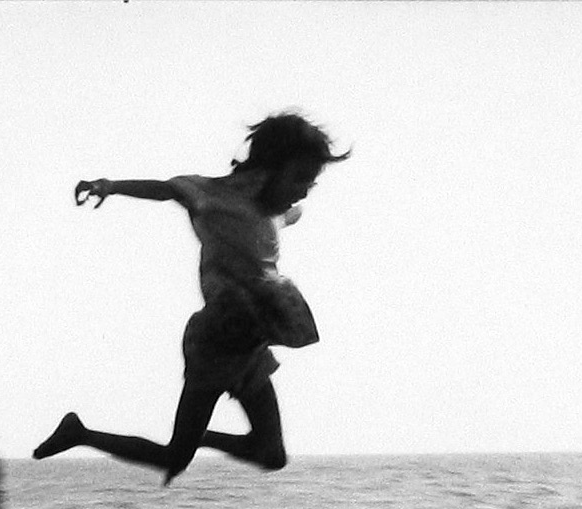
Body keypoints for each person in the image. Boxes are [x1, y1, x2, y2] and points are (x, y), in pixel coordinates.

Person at [33, 112, 349, 484]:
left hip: (251, 345)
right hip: (216, 342)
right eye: (299, 179)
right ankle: (79, 433)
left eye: (311, 183)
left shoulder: (272, 212)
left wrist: (295, 208)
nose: (303, 190)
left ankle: (200, 437)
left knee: (272, 455)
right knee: (175, 459)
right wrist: (110, 186)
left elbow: (290, 213)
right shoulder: (213, 196)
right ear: (269, 167)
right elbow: (168, 189)